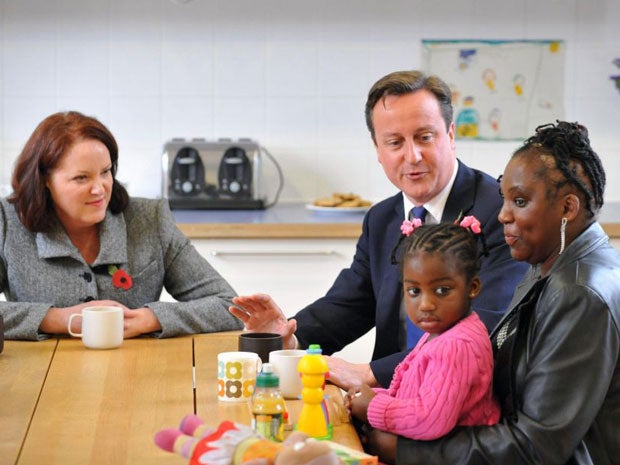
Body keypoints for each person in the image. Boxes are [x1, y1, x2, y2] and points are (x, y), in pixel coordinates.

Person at [230, 70, 528, 389]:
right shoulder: (382, 219)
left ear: (451, 135)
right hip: (391, 398)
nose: (412, 156)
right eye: (395, 142)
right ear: (378, 149)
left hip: (467, 397)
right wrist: (289, 335)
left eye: (425, 137)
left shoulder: (501, 212)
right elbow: (350, 304)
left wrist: (369, 373)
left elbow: (488, 326)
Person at [390, 121, 620, 464]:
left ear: (568, 208)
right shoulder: (551, 263)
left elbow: (535, 446)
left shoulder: (579, 293)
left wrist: (403, 449)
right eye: (505, 199)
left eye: (520, 201)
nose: (503, 215)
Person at [0, 111, 243, 340]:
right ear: (44, 180)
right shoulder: (7, 221)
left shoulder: (150, 219)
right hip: (39, 376)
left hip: (136, 372)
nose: (99, 189)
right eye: (81, 178)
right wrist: (58, 319)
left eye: (105, 172)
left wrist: (151, 318)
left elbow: (228, 305)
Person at [346, 221, 500, 464]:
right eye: (414, 291)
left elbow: (429, 419)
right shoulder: (442, 333)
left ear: (472, 287)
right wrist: (373, 395)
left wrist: (373, 405)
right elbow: (418, 395)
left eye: (442, 291)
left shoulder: (457, 345)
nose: (426, 305)